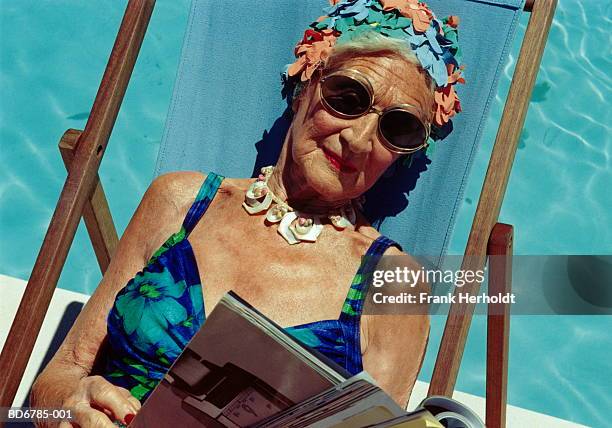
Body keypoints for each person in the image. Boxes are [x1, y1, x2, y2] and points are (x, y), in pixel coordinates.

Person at [31, 1, 464, 426]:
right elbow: (60, 373)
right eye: (348, 97)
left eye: (398, 127)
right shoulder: (181, 202)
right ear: (305, 87)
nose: (359, 138)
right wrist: (68, 403)